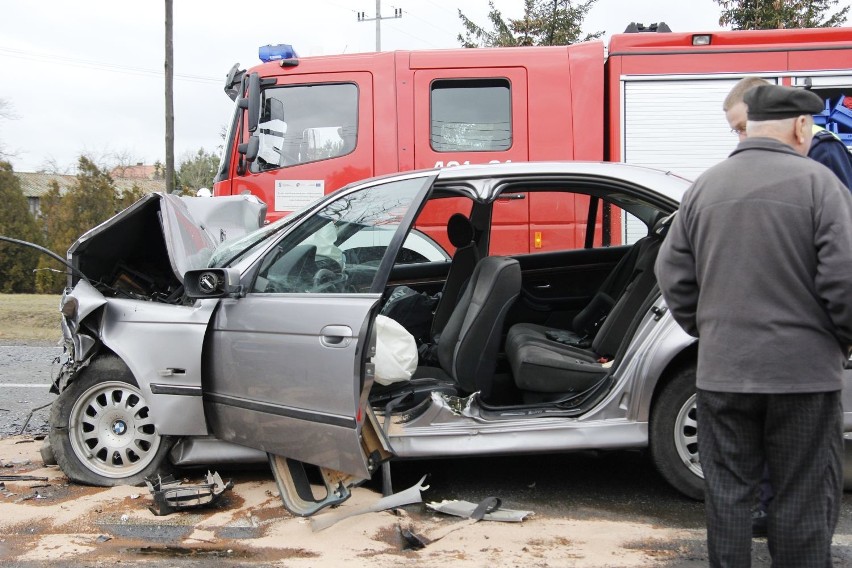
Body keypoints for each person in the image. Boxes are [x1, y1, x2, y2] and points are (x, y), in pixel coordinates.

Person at [656, 84, 852, 566]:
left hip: (724, 373)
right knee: (802, 498)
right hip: (804, 377)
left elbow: (671, 272)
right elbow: (844, 278)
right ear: (801, 126)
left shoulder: (705, 185)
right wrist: (841, 341)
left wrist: (711, 330)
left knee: (728, 499)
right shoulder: (819, 184)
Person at [724, 78, 852, 539]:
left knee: (804, 479)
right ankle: (767, 514)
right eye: (738, 132)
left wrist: (837, 337)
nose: (742, 141)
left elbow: (839, 261)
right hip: (766, 336)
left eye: (743, 128)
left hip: (803, 343)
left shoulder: (824, 159)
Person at [724, 76, 852, 191]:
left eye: (746, 127)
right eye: (737, 130)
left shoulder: (823, 149)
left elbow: (842, 210)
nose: (742, 139)